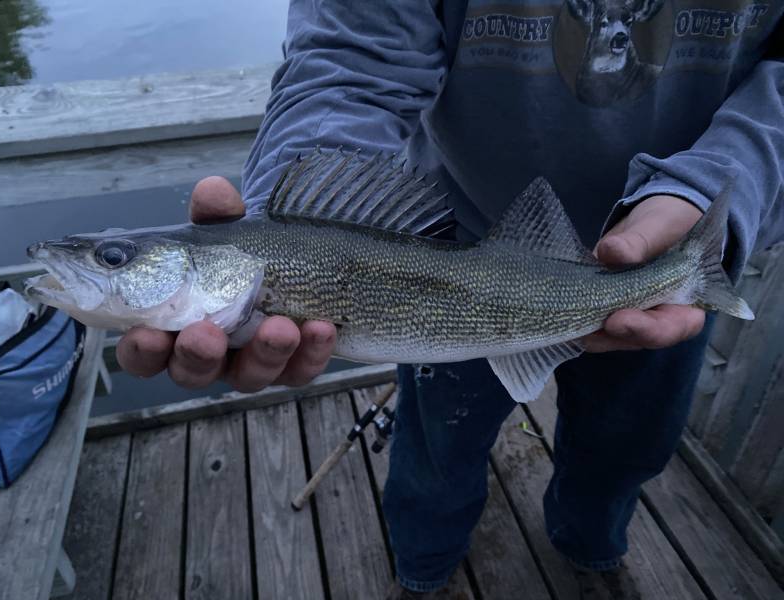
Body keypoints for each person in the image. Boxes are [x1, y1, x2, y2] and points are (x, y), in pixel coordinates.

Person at [117, 2, 784, 597]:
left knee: (628, 447)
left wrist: (710, 194)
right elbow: (353, 57)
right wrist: (294, 193)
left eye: (119, 257)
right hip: (460, 246)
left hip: (665, 258)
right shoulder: (257, 277)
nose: (115, 263)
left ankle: (591, 548)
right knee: (437, 453)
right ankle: (424, 569)